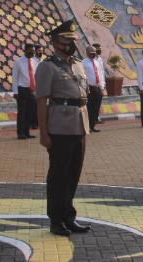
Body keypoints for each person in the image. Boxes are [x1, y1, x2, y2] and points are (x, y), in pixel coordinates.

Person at [35, 20, 91, 236]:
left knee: (73, 174)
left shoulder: (78, 65)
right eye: (66, 40)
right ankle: (56, 219)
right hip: (59, 128)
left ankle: (69, 216)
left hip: (79, 125)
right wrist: (43, 133)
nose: (71, 44)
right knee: (58, 176)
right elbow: (42, 101)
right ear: (55, 42)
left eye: (73, 40)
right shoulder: (47, 67)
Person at [12, 43, 38, 140]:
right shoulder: (18, 62)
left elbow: (35, 76)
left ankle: (27, 132)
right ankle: (20, 133)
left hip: (31, 90)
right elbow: (15, 77)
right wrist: (15, 92)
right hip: (21, 89)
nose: (33, 52)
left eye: (33, 50)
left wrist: (36, 89)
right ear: (25, 50)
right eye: (31, 50)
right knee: (22, 112)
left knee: (30, 112)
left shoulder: (34, 61)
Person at [81, 45, 105, 133]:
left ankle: (92, 126)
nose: (93, 54)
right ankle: (87, 127)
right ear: (87, 53)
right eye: (91, 52)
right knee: (89, 108)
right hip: (89, 88)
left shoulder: (97, 62)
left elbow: (101, 74)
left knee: (96, 108)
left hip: (98, 87)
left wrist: (102, 86)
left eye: (94, 52)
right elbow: (82, 76)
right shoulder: (83, 63)